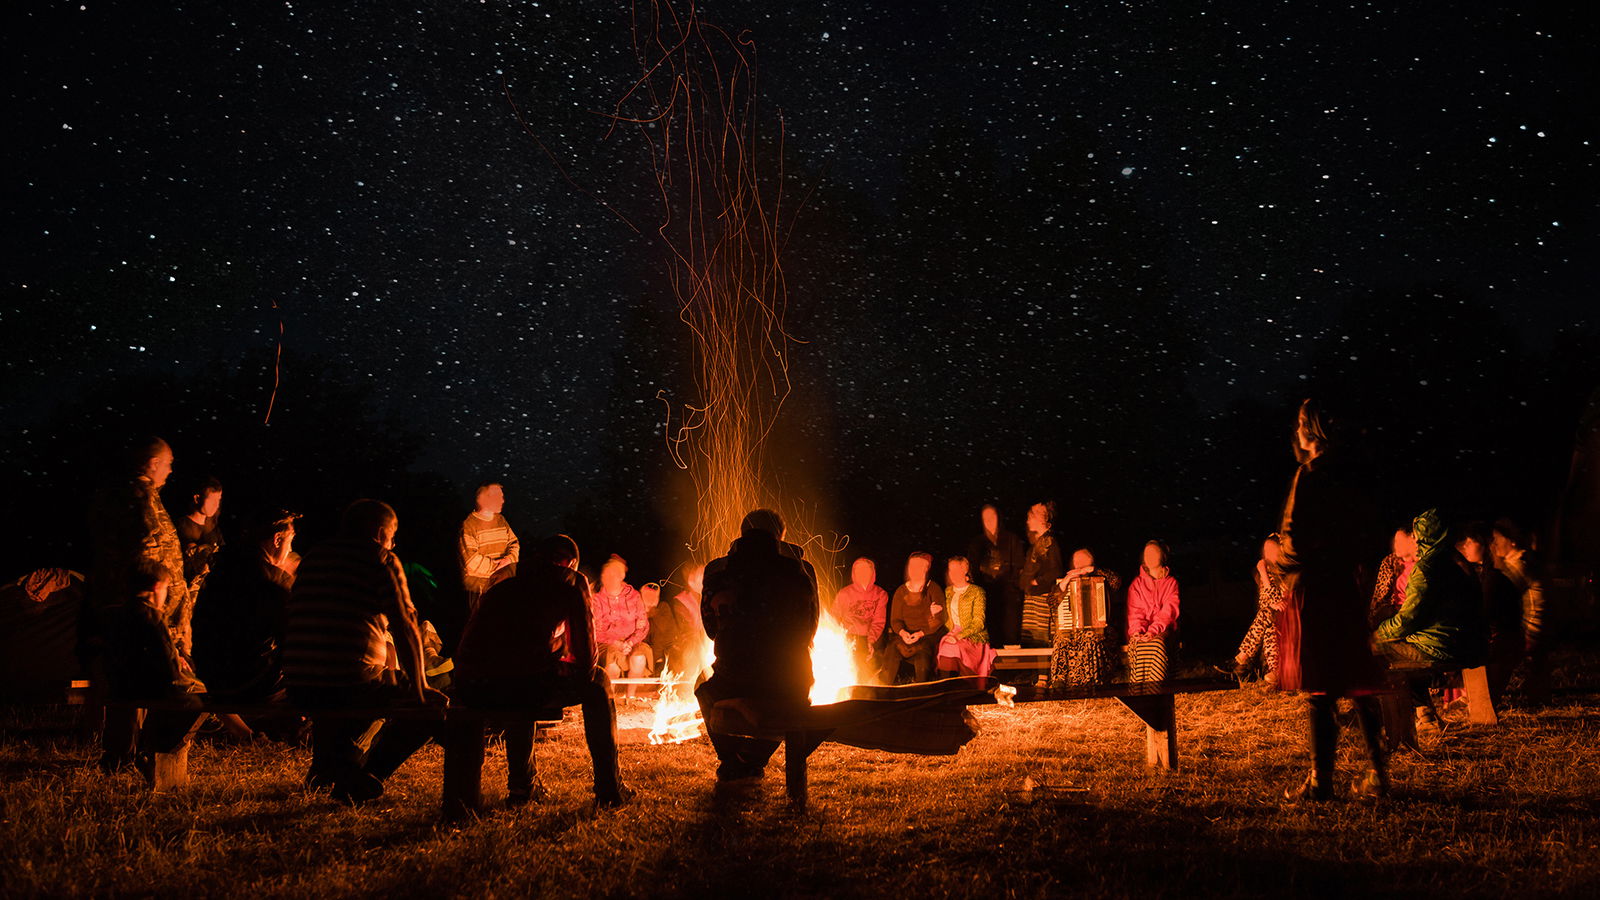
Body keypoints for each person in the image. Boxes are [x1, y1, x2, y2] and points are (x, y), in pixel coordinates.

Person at [283, 499, 445, 805]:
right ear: (380, 531)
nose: (393, 542)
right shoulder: (379, 558)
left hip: (299, 684)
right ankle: (365, 777)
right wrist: (421, 686)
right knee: (430, 710)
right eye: (392, 535)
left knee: (346, 693)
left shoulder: (315, 558)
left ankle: (333, 768)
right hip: (349, 683)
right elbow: (404, 624)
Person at [454, 534, 629, 808]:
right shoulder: (570, 580)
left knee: (523, 674)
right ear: (570, 562)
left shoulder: (504, 576)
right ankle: (610, 789)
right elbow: (585, 657)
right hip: (517, 683)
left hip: (473, 683)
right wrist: (563, 660)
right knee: (598, 682)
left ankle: (522, 788)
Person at [1274, 399, 1388, 802]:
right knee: (1358, 683)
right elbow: (1368, 535)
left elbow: (1295, 538)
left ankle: (1321, 781)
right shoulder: (1356, 476)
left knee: (1320, 688)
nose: (1298, 428)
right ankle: (1379, 775)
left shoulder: (1310, 476)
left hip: (1316, 589)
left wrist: (1283, 567)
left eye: (1303, 421)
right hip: (1345, 584)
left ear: (1313, 429)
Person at [85, 436, 203, 771]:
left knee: (127, 683)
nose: (171, 469)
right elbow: (149, 554)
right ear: (153, 464)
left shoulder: (116, 496)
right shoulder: (141, 501)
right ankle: (149, 751)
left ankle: (121, 753)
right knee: (158, 684)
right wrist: (161, 610)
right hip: (148, 611)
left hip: (122, 609)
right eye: (168, 462)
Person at [696, 509, 820, 782]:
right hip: (788, 681)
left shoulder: (718, 572)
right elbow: (810, 629)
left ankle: (731, 759)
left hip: (733, 677)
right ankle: (750, 759)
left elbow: (710, 630)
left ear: (742, 534)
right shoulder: (800, 570)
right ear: (780, 536)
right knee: (798, 700)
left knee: (704, 688)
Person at [1373, 508, 1489, 733]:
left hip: (1443, 647)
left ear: (1426, 536)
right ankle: (1424, 712)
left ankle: (1399, 727)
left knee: (1382, 650)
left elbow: (1408, 619)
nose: (1413, 539)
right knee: (1405, 649)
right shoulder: (1459, 562)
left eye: (1416, 534)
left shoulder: (1426, 569)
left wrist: (1378, 633)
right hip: (1472, 643)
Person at [191, 508, 298, 704]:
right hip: (249, 682)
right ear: (277, 540)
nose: (290, 550)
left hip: (211, 677)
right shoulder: (272, 581)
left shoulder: (221, 569)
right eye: (290, 541)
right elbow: (292, 638)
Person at [1491, 518, 1549, 702]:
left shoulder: (1519, 565)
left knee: (1500, 656)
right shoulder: (1523, 562)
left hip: (1532, 627)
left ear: (1512, 540)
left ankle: (1490, 696)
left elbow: (1503, 594)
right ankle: (1535, 692)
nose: (1495, 544)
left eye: (1498, 539)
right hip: (1535, 625)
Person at [1049, 548, 1122, 688]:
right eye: (1078, 563)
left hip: (1101, 631)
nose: (1081, 567)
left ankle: (1090, 683)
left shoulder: (1102, 579)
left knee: (1090, 638)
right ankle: (1060, 683)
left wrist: (1092, 570)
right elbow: (1052, 602)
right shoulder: (1066, 581)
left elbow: (1116, 581)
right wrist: (1067, 579)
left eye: (1085, 563)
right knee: (1060, 639)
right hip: (1072, 629)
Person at [1219, 535, 1286, 683]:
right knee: (1268, 621)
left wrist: (1264, 576)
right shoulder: (1264, 573)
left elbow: (1280, 601)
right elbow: (1266, 602)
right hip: (1272, 615)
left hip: (1289, 612)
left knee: (1267, 614)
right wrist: (1263, 575)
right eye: (1266, 551)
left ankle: (1241, 659)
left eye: (1273, 550)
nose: (1269, 554)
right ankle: (1274, 670)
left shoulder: (1285, 573)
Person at [877, 553, 946, 684]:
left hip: (926, 635)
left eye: (918, 567)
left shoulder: (933, 589)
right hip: (905, 634)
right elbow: (895, 620)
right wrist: (903, 633)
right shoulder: (901, 591)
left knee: (922, 654)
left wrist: (924, 628)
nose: (914, 570)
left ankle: (921, 690)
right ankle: (884, 689)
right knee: (892, 650)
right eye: (912, 566)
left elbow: (939, 620)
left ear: (926, 568)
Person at [591, 555, 650, 702]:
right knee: (612, 666)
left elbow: (643, 624)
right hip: (607, 643)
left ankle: (630, 697)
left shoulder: (634, 596)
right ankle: (609, 699)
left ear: (621, 576)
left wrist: (630, 642)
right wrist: (616, 643)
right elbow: (595, 629)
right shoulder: (597, 599)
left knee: (639, 658)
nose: (608, 577)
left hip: (631, 642)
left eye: (613, 574)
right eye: (605, 574)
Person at [458, 482, 520, 616]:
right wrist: (498, 568)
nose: (503, 500)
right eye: (499, 497)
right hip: (480, 590)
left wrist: (509, 559)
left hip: (502, 586)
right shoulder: (469, 525)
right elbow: (470, 562)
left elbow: (514, 543)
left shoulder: (500, 520)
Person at [967, 504, 1026, 647]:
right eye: (985, 517)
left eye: (992, 516)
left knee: (1011, 630)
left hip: (1009, 595)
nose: (989, 520)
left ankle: (1014, 666)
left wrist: (1010, 581)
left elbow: (1019, 565)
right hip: (988, 594)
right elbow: (972, 569)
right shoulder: (977, 543)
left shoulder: (1012, 539)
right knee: (992, 630)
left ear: (998, 517)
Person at [1126, 541, 1180, 683]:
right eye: (1147, 553)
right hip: (1142, 631)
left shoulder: (1171, 583)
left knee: (1156, 645)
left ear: (1162, 556)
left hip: (1163, 629)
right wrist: (1138, 631)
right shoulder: (1136, 584)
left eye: (1154, 553)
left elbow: (1168, 612)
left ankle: (1157, 687)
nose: (1150, 556)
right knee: (1138, 645)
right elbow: (1136, 612)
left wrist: (1153, 631)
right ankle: (1140, 690)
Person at [936, 557, 995, 677]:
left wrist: (958, 637)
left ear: (964, 570)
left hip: (973, 636)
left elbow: (979, 623)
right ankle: (945, 685)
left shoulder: (976, 592)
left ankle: (968, 684)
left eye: (956, 570)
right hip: (952, 632)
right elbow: (947, 620)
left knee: (952, 647)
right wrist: (936, 612)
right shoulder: (948, 591)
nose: (952, 574)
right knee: (946, 647)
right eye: (950, 570)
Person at [832, 557, 888, 683]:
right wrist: (840, 637)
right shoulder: (844, 593)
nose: (863, 573)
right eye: (859, 570)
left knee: (867, 662)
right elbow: (834, 617)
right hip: (849, 635)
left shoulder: (880, 594)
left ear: (872, 572)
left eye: (866, 570)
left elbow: (878, 621)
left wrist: (870, 640)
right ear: (854, 573)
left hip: (869, 636)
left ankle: (866, 687)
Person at [1018, 502, 1064, 646]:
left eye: (1030, 517)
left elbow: (1056, 570)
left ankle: (1042, 668)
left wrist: (1037, 581)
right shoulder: (1037, 543)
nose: (1027, 521)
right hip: (1032, 597)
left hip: (1041, 600)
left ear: (1041, 520)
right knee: (1031, 641)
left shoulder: (1049, 543)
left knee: (1040, 642)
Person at [175, 476, 224, 593]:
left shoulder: (213, 527)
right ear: (197, 498)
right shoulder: (181, 527)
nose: (216, 505)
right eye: (212, 500)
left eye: (219, 500)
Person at [1368, 526, 1418, 629]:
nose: (1396, 546)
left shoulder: (1422, 565)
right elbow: (1379, 595)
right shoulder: (1391, 562)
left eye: (1401, 542)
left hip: (1412, 610)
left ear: (1412, 540)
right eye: (1396, 542)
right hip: (1394, 609)